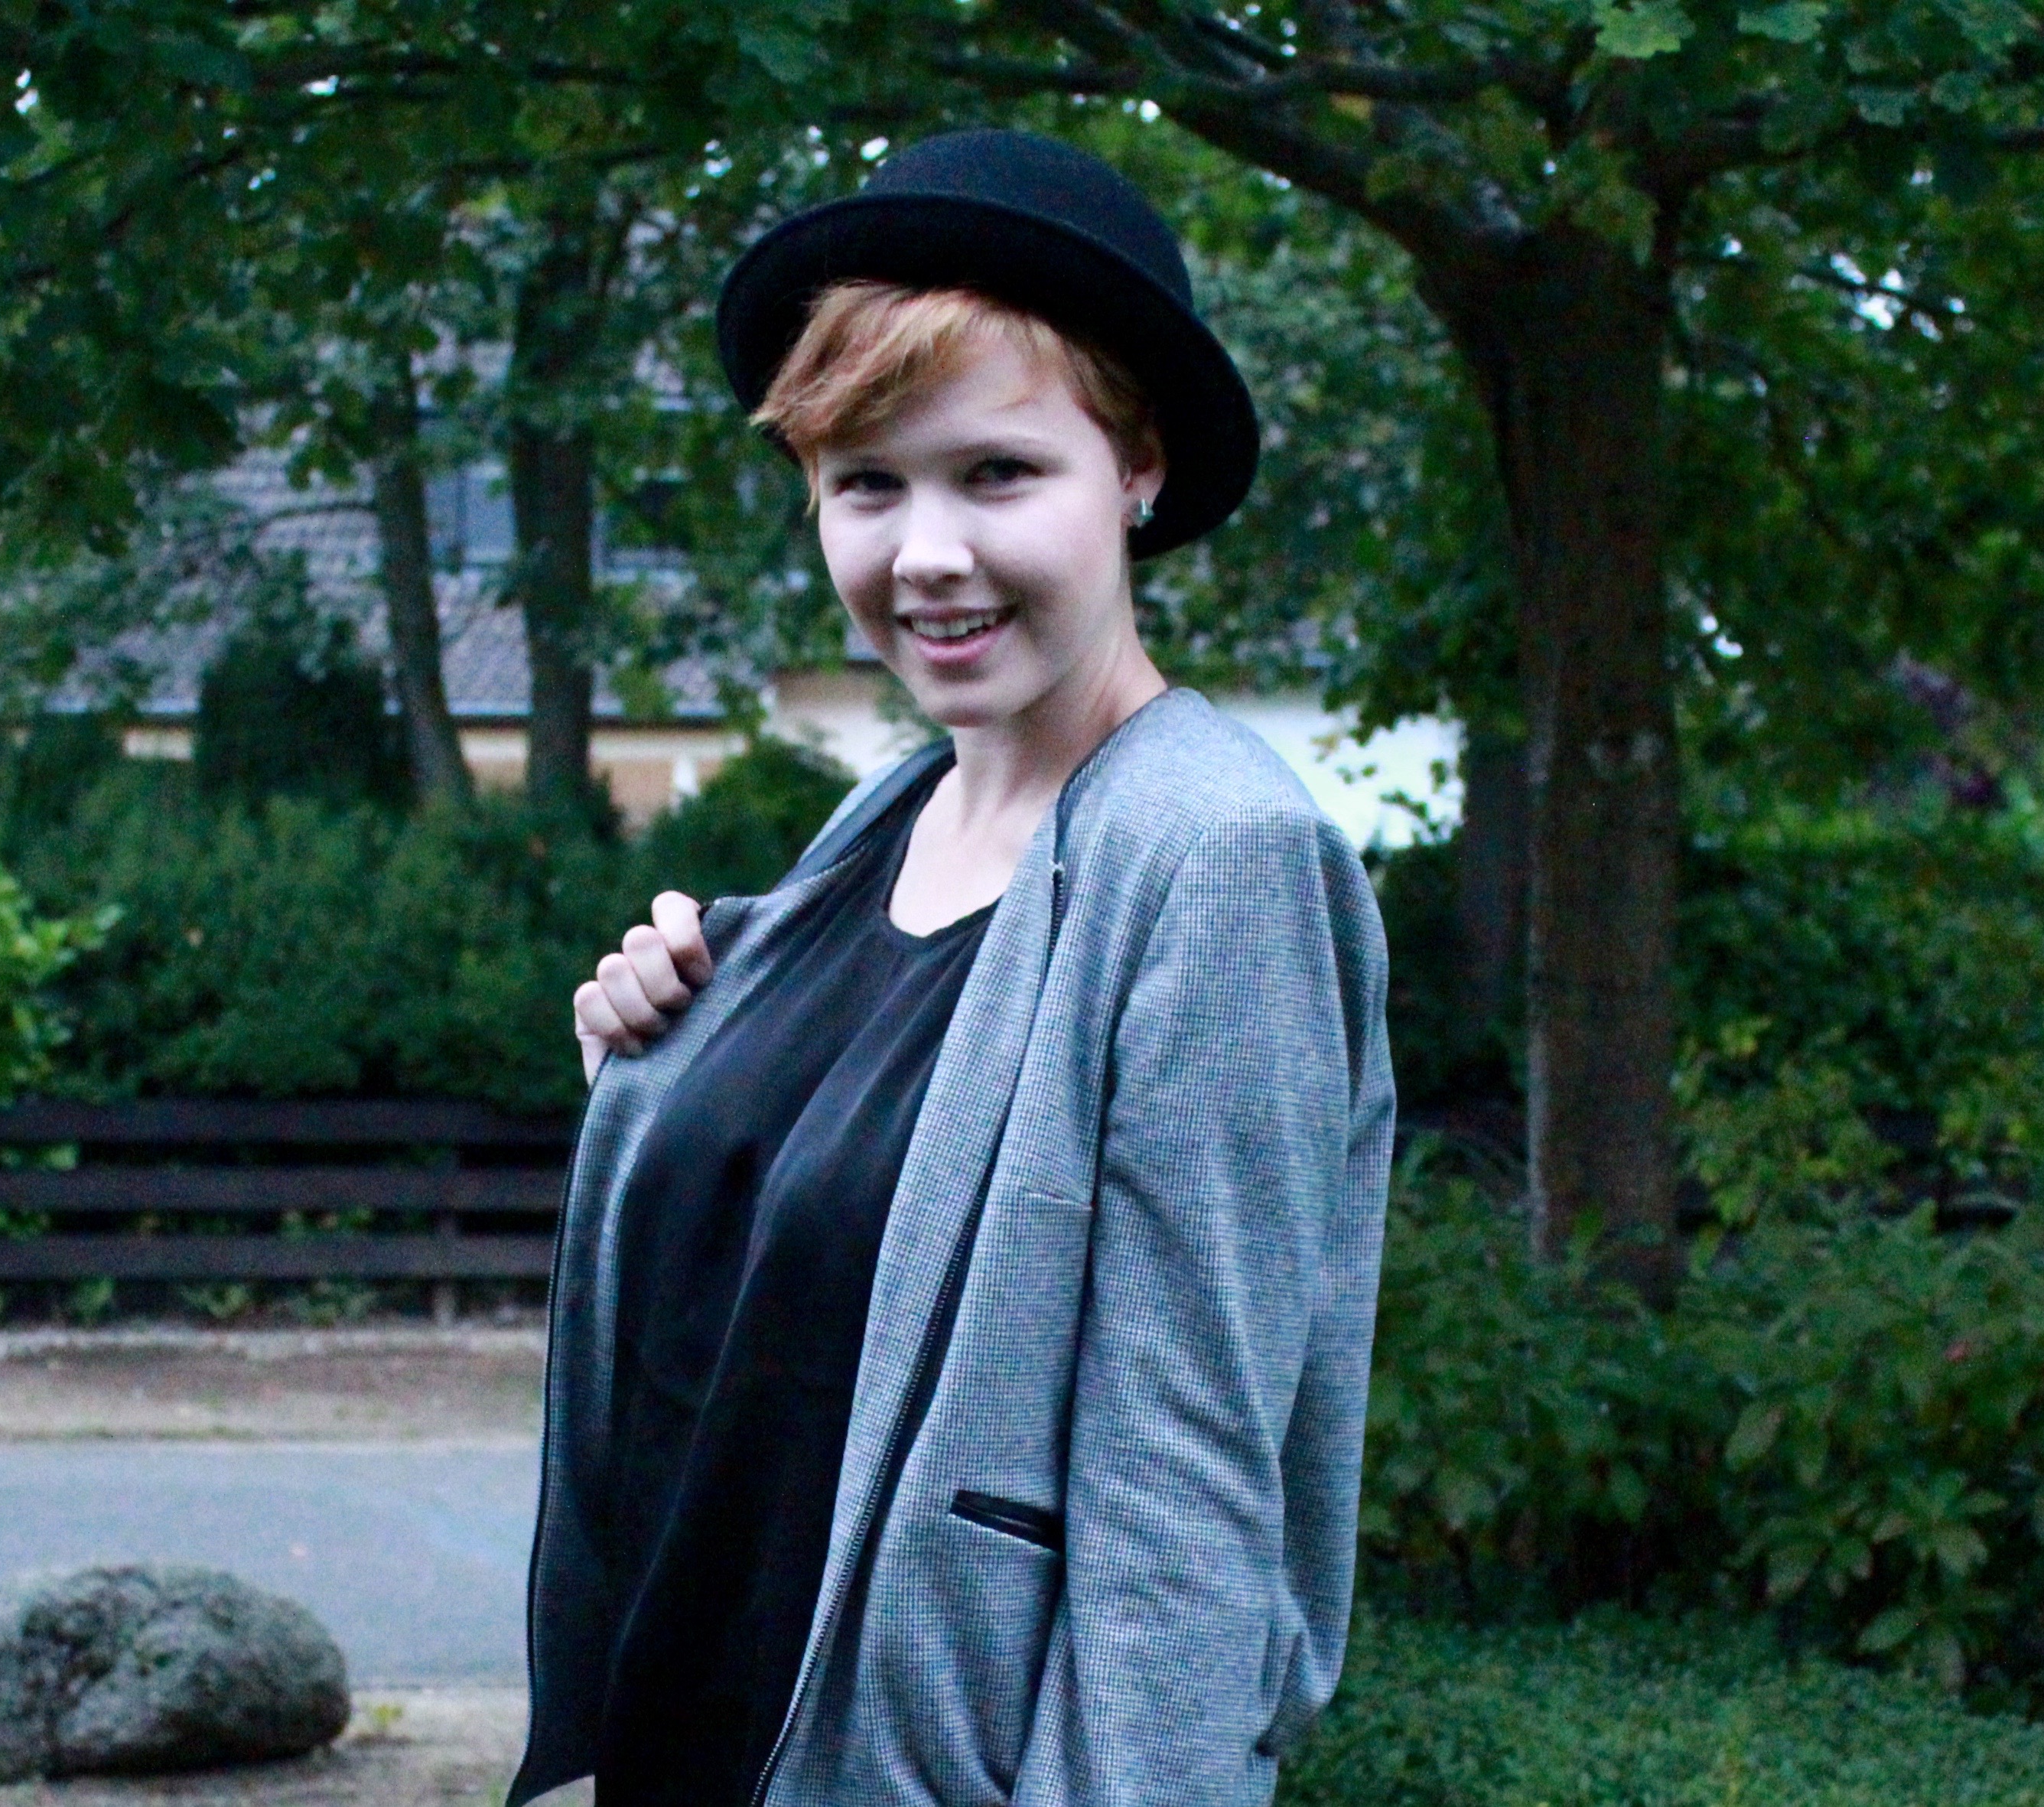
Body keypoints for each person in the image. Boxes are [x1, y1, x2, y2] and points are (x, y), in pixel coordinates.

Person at [508, 129, 1394, 1807]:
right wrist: (656, 1081)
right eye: (868, 483)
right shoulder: (878, 825)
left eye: (996, 473)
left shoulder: (1211, 856)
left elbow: (1191, 1495)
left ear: (1135, 469)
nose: (924, 551)